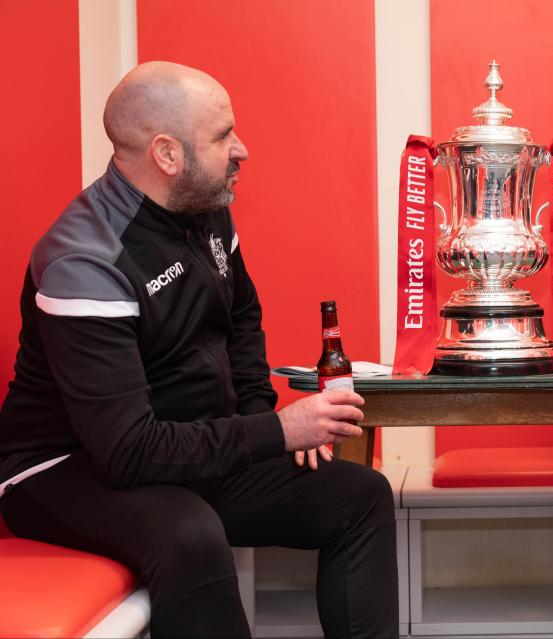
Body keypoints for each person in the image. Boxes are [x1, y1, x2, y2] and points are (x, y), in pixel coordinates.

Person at [0, 61, 398, 639]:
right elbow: (127, 453)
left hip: (185, 447)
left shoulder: (202, 205)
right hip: (63, 468)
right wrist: (278, 433)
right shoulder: (83, 262)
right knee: (189, 534)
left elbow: (240, 318)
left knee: (358, 497)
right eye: (222, 135)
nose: (243, 149)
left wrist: (261, 420)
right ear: (167, 153)